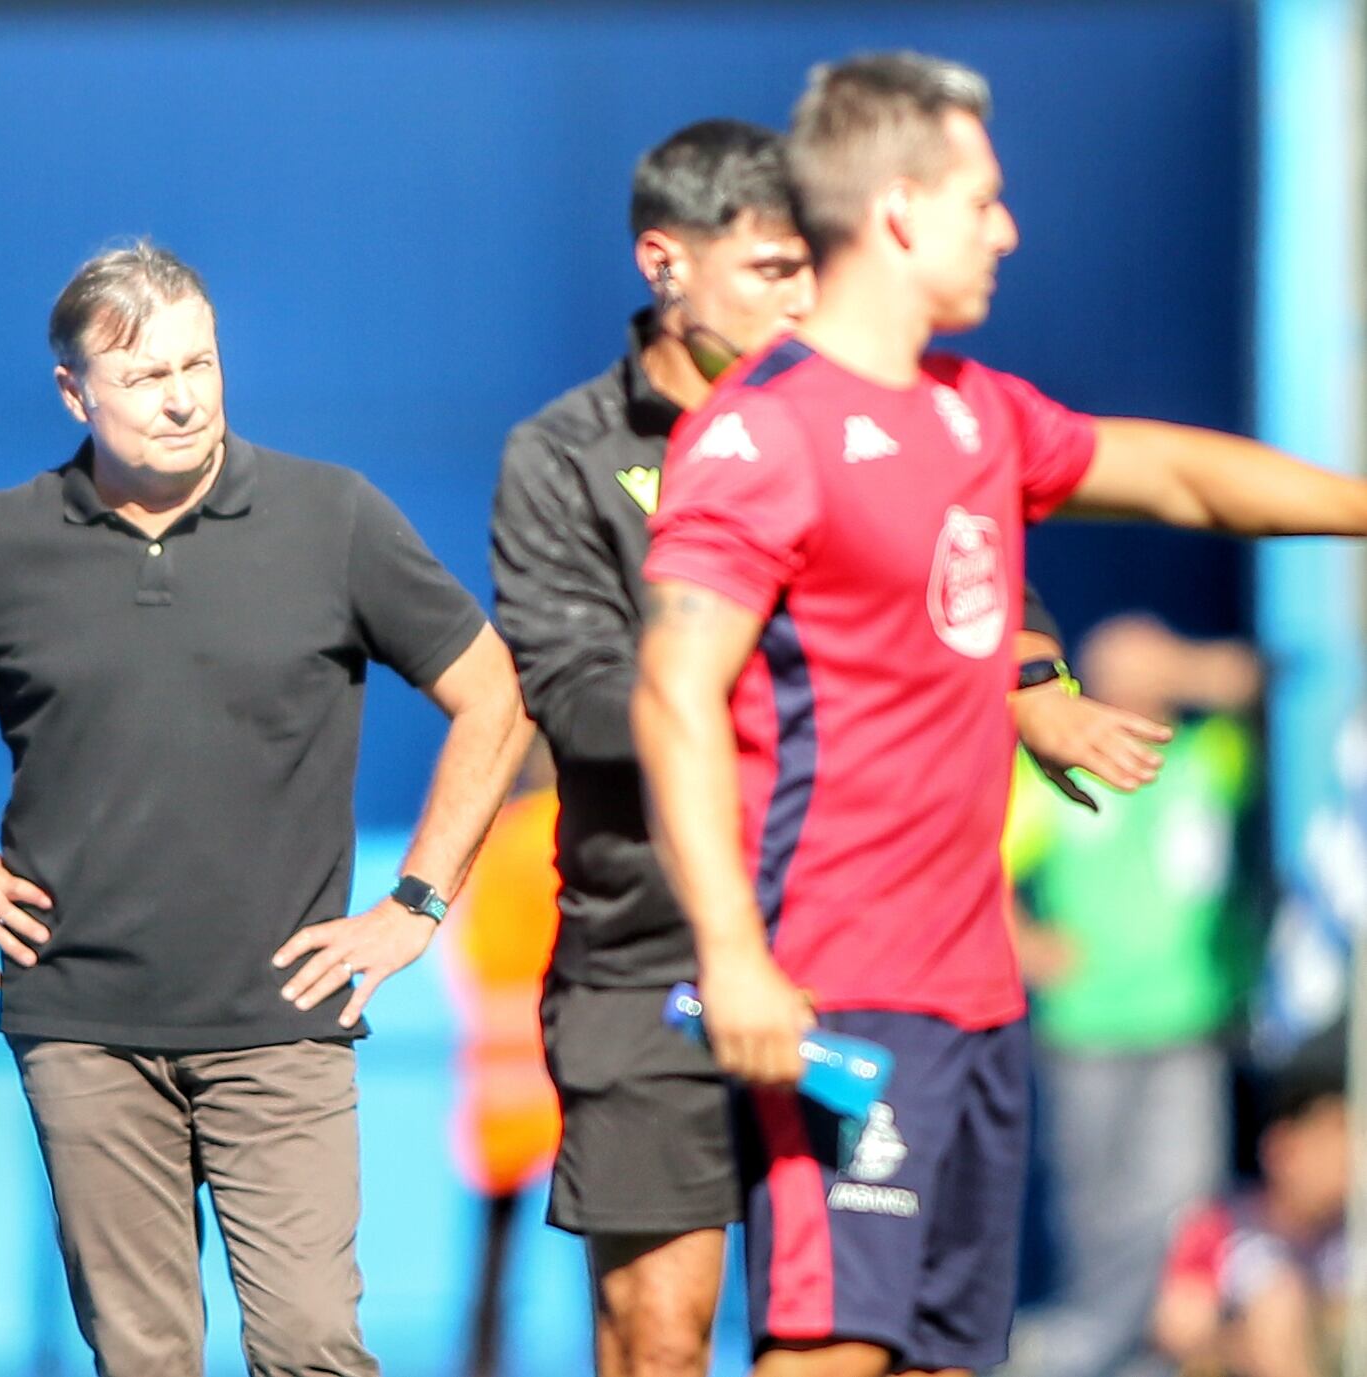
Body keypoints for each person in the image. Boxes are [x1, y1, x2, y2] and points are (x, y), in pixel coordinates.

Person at [632, 53, 1367, 1377]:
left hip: (978, 1000)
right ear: (900, 212)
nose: (1009, 228)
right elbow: (673, 694)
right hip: (839, 985)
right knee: (829, 1353)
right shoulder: (760, 437)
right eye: (984, 198)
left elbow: (1181, 477)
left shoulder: (977, 415)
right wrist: (735, 953)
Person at [491, 119, 1168, 1377]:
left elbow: (960, 586)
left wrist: (1035, 684)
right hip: (659, 962)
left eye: (812, 266)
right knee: (657, 1334)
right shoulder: (561, 457)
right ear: (663, 264)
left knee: (896, 1346)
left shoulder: (877, 406)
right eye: (766, 270)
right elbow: (584, 701)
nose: (800, 298)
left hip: (863, 955)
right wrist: (776, 662)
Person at [0, 241, 528, 1377]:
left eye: (199, 363)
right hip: (83, 1026)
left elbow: (493, 693)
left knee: (311, 1343)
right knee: (146, 1357)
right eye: (147, 374)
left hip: (285, 1021)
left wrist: (416, 900)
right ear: (74, 393)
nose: (183, 396)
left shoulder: (332, 517)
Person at [1005, 619, 1265, 1377]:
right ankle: (1090, 1352)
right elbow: (981, 851)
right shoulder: (1057, 772)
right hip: (1089, 1028)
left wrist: (1178, 666)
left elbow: (1261, 689)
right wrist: (1024, 940)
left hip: (1186, 1023)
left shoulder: (1204, 760)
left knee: (1183, 1202)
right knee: (1098, 1209)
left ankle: (1147, 1356)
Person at [443, 739, 563, 1377]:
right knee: (613, 1246)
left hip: (499, 1071)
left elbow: (466, 948)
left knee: (492, 1255)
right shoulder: (564, 832)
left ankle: (480, 1366)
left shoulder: (491, 842)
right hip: (568, 1063)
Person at [1154, 1022, 1349, 1377]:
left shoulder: (1349, 1236)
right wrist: (1248, 1339)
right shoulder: (1221, 1225)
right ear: (1281, 1147)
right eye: (1332, 1143)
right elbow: (1178, 1324)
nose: (1348, 1162)